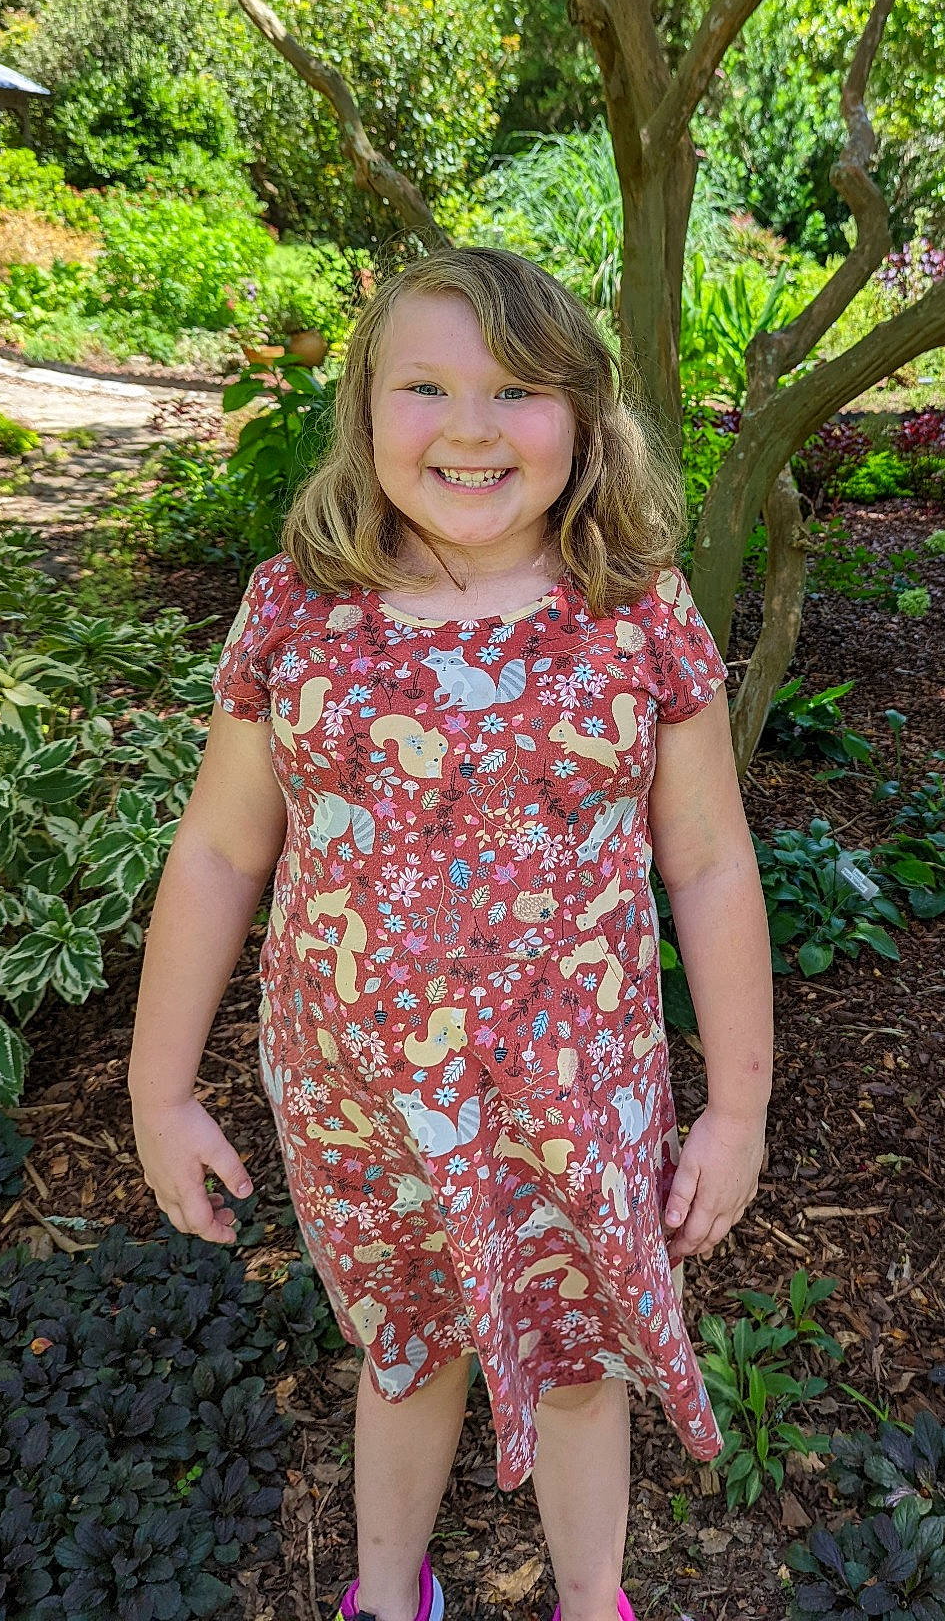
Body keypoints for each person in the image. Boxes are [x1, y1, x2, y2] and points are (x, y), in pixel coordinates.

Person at [128, 245, 774, 1621]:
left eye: (519, 391)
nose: (470, 429)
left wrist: (738, 1107)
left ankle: (590, 1597)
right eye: (425, 386)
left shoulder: (635, 617)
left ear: (587, 421)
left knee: (580, 1354)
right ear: (364, 409)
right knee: (406, 1352)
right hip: (356, 1099)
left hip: (578, 1096)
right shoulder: (297, 611)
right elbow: (222, 847)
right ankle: (385, 1592)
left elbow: (710, 862)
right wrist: (157, 1085)